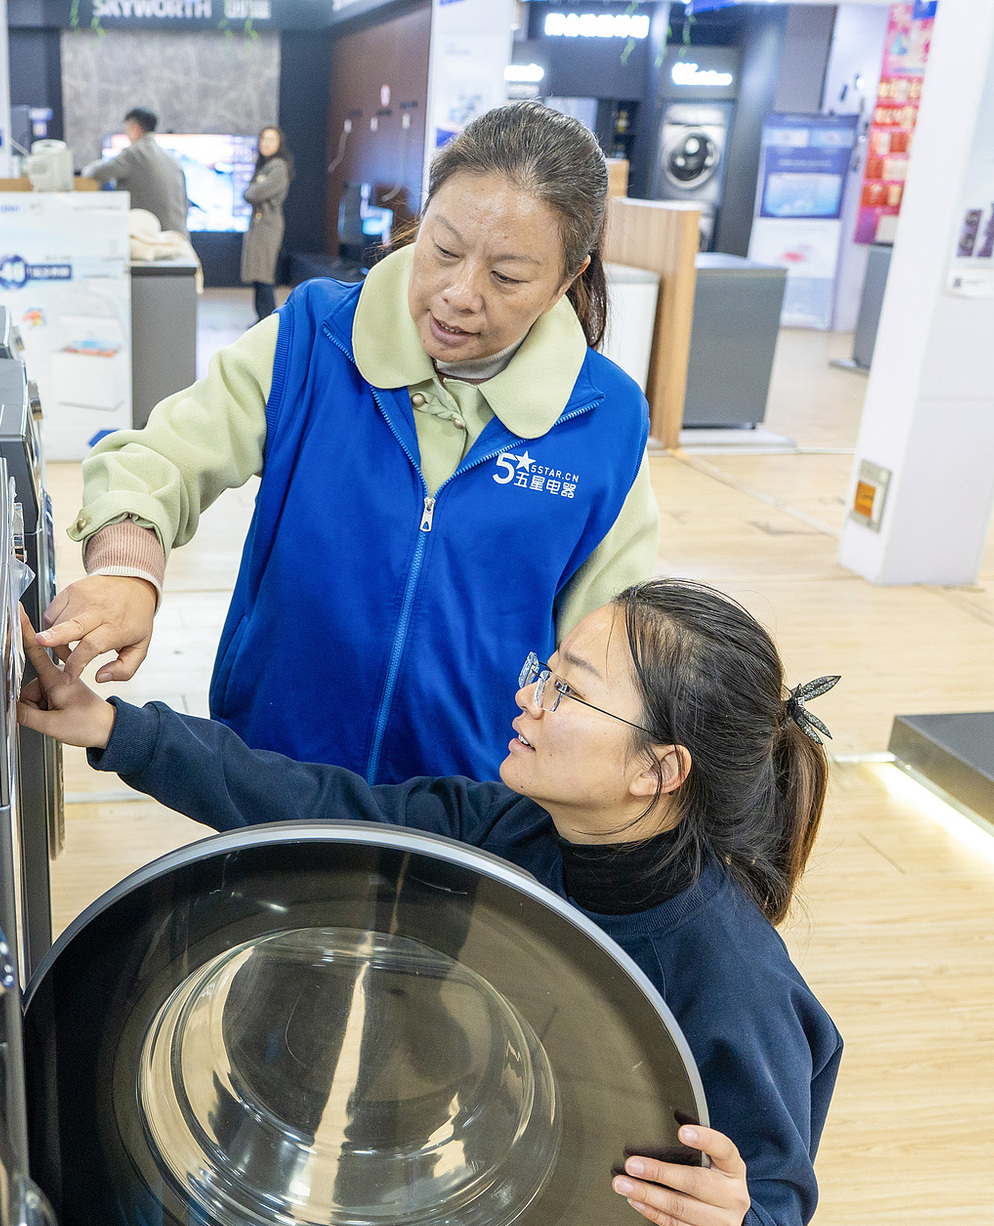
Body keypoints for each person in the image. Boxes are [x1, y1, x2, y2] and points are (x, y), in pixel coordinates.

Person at [19, 578, 843, 1226]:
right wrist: (118, 729)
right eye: (545, 669)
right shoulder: (516, 831)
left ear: (657, 770)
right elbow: (321, 808)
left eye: (567, 690)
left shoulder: (734, 984)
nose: (528, 697)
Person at [42, 102, 659, 787]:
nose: (459, 293)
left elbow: (612, 654)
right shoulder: (314, 337)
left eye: (507, 277)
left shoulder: (605, 421)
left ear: (566, 280)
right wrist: (128, 569)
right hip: (269, 772)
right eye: (443, 249)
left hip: (474, 804)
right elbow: (159, 458)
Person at [81, 107, 188, 235]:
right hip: (178, 238)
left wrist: (87, 169)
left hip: (150, 239)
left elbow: (97, 172)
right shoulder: (172, 160)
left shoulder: (134, 154)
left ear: (135, 128)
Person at [241, 126, 291, 320]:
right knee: (257, 274)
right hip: (259, 225)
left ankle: (269, 320)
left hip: (268, 226)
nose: (266, 144)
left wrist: (252, 190)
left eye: (271, 140)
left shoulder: (278, 167)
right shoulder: (265, 166)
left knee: (264, 274)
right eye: (263, 139)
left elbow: (253, 193)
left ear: (279, 144)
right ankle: (261, 319)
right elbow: (251, 192)